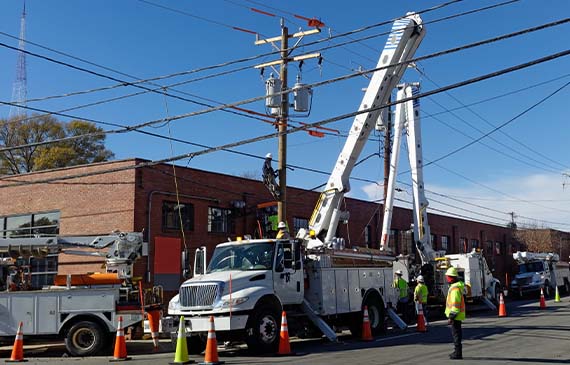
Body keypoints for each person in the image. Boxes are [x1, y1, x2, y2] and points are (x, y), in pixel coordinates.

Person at [445, 267, 466, 360]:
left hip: (455, 316)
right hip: (458, 316)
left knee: (456, 335)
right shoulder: (456, 287)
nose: (446, 278)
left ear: (451, 278)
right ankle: (457, 352)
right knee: (457, 334)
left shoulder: (454, 289)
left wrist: (451, 317)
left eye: (447, 277)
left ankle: (457, 353)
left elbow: (455, 305)